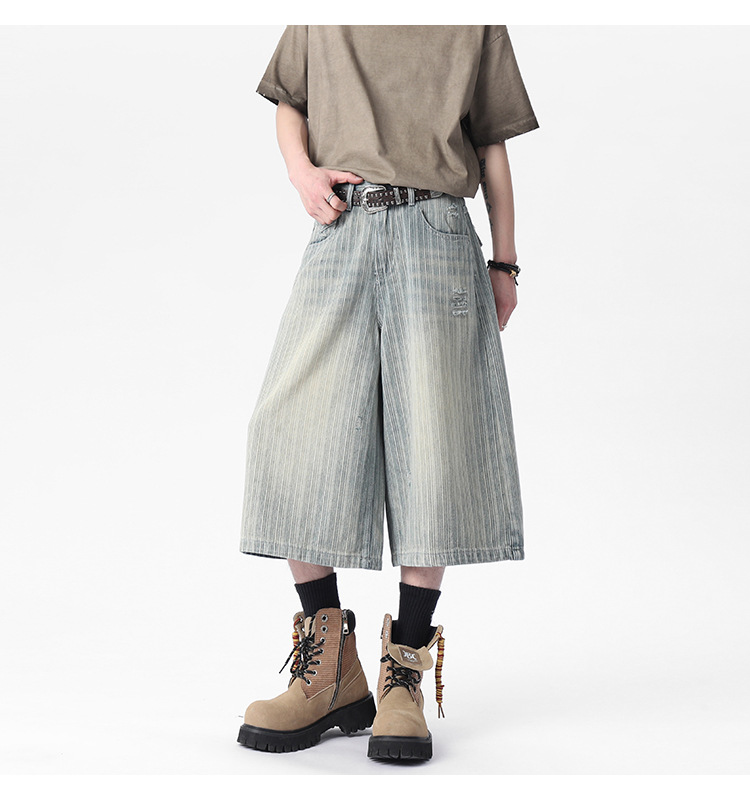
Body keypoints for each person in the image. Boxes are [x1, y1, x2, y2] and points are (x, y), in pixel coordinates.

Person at [237, 24, 539, 762]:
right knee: (291, 429)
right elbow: (289, 98)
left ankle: (403, 668)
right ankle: (329, 668)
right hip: (342, 225)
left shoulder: (472, 21)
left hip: (438, 231)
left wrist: (505, 263)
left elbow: (492, 143)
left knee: (431, 442)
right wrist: (301, 171)